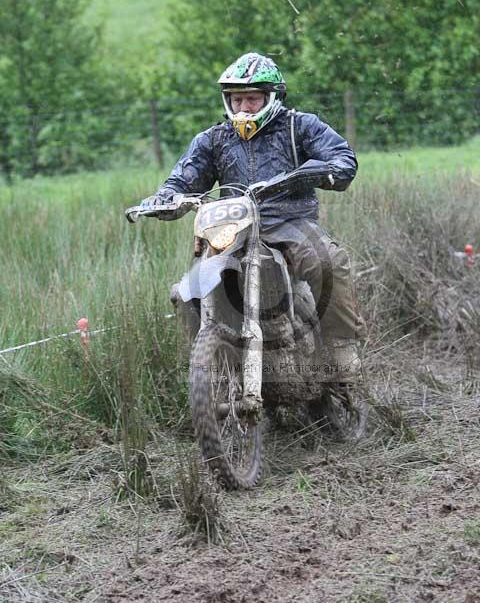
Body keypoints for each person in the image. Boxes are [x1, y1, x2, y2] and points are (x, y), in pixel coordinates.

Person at [139, 52, 362, 383]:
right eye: (237, 98)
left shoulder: (298, 126)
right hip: (232, 230)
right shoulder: (213, 139)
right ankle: (209, 365)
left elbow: (343, 157)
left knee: (327, 261)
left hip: (289, 223)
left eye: (252, 99)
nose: (244, 107)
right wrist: (164, 198)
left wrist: (321, 172)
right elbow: (184, 178)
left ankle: (340, 343)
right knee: (185, 292)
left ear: (271, 97)